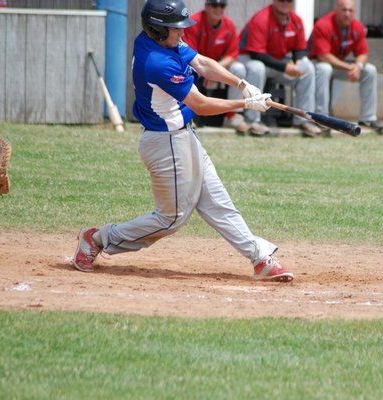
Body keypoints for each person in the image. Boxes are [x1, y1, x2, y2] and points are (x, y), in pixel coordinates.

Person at [72, 0, 294, 283]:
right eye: (176, 29)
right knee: (171, 218)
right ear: (158, 29)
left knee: (217, 200)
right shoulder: (157, 62)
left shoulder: (160, 42)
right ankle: (96, 238)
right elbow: (200, 104)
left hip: (183, 136)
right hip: (165, 144)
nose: (182, 33)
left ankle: (259, 258)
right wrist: (245, 104)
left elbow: (201, 63)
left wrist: (241, 83)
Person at [238, 0, 322, 137]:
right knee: (257, 68)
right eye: (281, 0)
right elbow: (256, 53)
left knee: (308, 69)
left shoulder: (296, 20)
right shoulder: (261, 18)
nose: (285, 3)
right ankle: (252, 120)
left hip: (277, 61)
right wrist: (285, 67)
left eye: (289, 0)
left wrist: (299, 61)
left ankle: (303, 120)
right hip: (249, 58)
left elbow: (300, 49)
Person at [309, 0, 383, 134]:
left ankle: (368, 118)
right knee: (324, 68)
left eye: (350, 11)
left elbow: (362, 53)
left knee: (370, 70)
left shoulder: (358, 27)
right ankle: (322, 118)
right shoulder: (323, 24)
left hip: (340, 65)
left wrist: (358, 66)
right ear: (336, 10)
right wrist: (349, 67)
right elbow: (323, 56)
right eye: (344, 10)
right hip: (316, 64)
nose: (347, 14)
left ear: (354, 12)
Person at [183, 0, 256, 136]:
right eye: (214, 5)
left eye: (222, 6)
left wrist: (215, 71)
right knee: (186, 69)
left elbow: (233, 54)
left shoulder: (229, 25)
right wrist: (206, 72)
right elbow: (189, 54)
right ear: (206, 7)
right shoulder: (194, 22)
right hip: (196, 63)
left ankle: (233, 116)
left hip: (217, 65)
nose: (218, 9)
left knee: (239, 68)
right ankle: (188, 115)